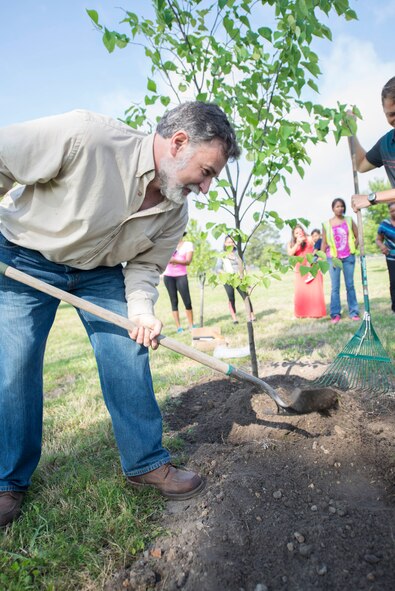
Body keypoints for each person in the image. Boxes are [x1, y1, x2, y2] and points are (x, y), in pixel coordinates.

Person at [0, 102, 240, 527]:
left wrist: (142, 311)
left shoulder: (175, 209)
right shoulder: (85, 136)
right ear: (179, 143)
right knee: (15, 366)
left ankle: (145, 462)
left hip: (100, 271)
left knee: (128, 351)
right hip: (26, 256)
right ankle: (8, 481)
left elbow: (146, 267)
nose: (205, 188)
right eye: (206, 172)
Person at [350, 76, 395, 211]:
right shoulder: (386, 144)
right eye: (391, 114)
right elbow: (361, 164)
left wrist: (371, 197)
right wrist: (351, 131)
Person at [321, 198, 360, 324]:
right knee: (335, 287)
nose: (340, 208)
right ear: (333, 208)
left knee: (350, 285)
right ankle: (335, 314)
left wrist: (354, 247)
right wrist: (321, 257)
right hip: (333, 259)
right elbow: (324, 242)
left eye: (342, 206)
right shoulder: (326, 224)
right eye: (337, 206)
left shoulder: (349, 220)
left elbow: (358, 234)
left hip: (348, 257)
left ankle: (354, 312)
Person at [286, 225, 326, 318]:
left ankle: (316, 313)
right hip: (300, 270)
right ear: (293, 235)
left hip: (312, 268)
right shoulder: (291, 243)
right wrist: (297, 244)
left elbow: (319, 246)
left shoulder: (310, 239)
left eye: (300, 232)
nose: (299, 234)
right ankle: (301, 313)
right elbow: (290, 253)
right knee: (301, 293)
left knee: (315, 291)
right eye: (296, 233)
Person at [163, 231, 195, 332]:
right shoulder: (167, 245)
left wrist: (174, 260)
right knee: (174, 302)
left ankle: (191, 325)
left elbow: (188, 261)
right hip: (168, 277)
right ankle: (179, 327)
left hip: (181, 276)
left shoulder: (188, 245)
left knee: (187, 302)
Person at [221, 235, 255, 324]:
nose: (231, 244)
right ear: (225, 243)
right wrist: (224, 274)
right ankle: (234, 319)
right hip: (228, 280)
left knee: (245, 296)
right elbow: (218, 268)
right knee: (231, 298)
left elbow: (244, 265)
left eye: (232, 242)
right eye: (229, 242)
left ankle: (251, 316)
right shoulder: (222, 254)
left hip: (239, 278)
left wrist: (246, 279)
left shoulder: (238, 253)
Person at [376, 203, 395, 313]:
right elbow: (378, 239)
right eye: (392, 211)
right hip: (391, 257)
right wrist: (382, 246)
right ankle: (394, 307)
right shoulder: (384, 224)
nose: (394, 212)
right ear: (389, 212)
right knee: (394, 282)